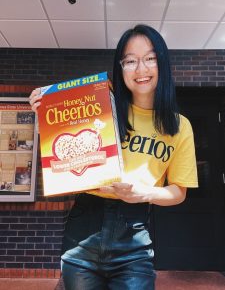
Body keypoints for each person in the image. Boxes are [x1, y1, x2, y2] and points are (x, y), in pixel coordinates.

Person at [29, 24, 198, 290]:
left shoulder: (179, 126)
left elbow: (178, 191)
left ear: (162, 63)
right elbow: (65, 156)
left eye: (150, 58)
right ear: (120, 68)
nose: (141, 69)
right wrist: (45, 117)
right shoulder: (101, 106)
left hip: (133, 233)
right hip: (83, 228)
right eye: (130, 61)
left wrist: (144, 193)